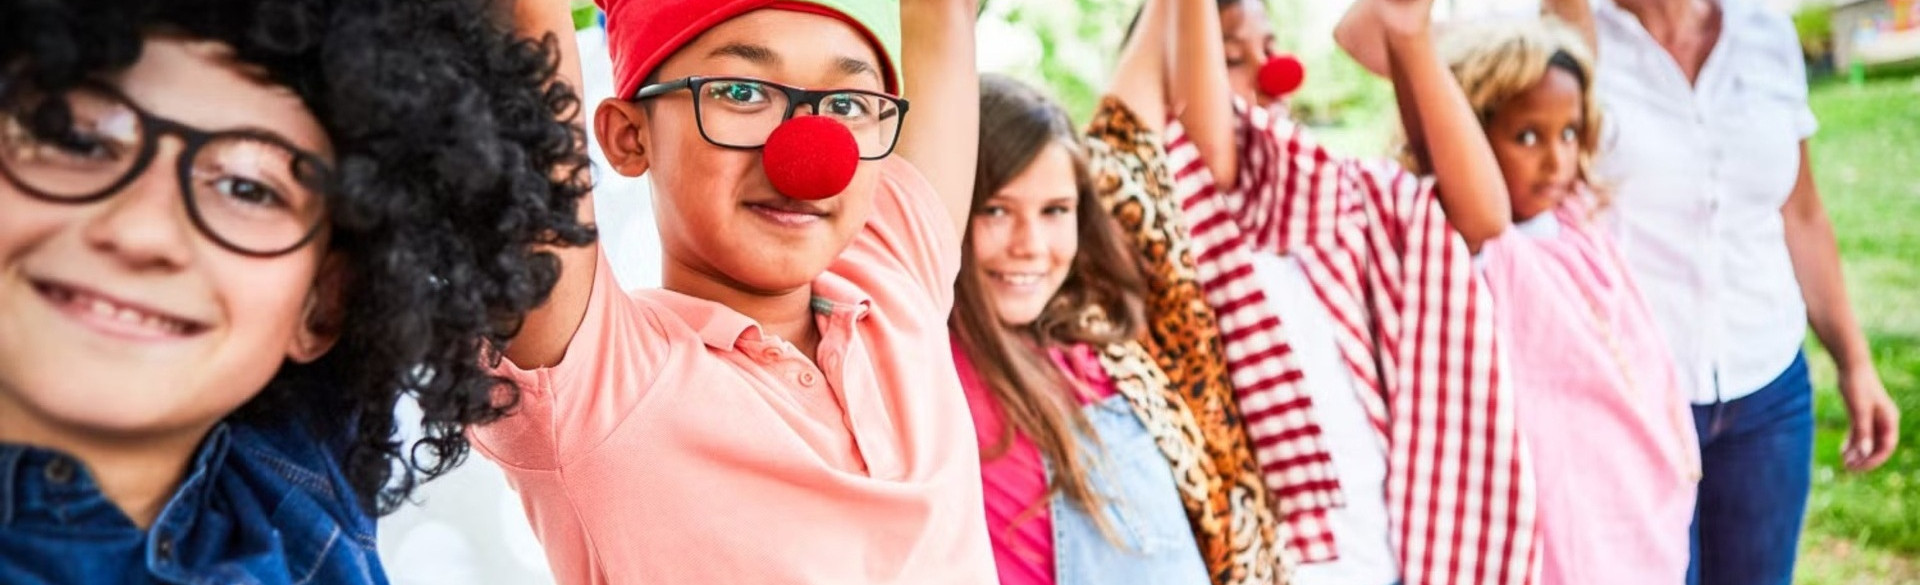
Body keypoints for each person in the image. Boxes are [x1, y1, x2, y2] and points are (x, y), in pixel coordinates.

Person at [0, 0, 591, 582]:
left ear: (323, 305)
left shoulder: (292, 472)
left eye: (246, 189)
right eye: (78, 140)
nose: (141, 231)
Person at [471, 0, 998, 582]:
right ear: (629, 136)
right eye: (743, 93)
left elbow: (942, 15)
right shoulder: (596, 385)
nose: (810, 155)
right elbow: (520, 39)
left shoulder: (895, 275)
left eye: (846, 104)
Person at [1166, 0, 1541, 582]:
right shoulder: (1185, 224)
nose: (1273, 73)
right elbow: (1207, 146)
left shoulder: (1332, 205)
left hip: (1384, 556)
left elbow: (1480, 215)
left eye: (1270, 47)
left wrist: (1409, 34)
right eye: (1234, 58)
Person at [1343, 9, 1701, 582]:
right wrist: (1410, 37)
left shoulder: (1575, 216)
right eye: (1526, 136)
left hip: (1626, 506)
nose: (1557, 159)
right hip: (1558, 523)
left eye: (1568, 133)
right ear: (1471, 131)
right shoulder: (1484, 245)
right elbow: (1437, 135)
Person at [956, 1, 1289, 582]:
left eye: (1056, 210)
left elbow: (1129, 136)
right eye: (994, 210)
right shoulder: (920, 354)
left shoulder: (1102, 327)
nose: (1030, 244)